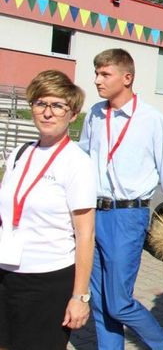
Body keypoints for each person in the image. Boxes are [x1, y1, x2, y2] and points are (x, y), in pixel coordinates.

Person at [79, 49, 163, 350]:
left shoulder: (152, 120)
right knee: (100, 302)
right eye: (96, 73)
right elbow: (81, 159)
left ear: (127, 77)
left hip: (127, 217)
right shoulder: (94, 114)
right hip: (93, 212)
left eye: (105, 74)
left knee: (118, 302)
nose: (97, 81)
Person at [0, 70, 96, 350]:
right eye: (41, 103)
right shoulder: (19, 153)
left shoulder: (77, 163)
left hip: (47, 281)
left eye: (57, 105)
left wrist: (80, 296)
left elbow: (86, 235)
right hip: (5, 276)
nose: (47, 112)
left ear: (73, 113)